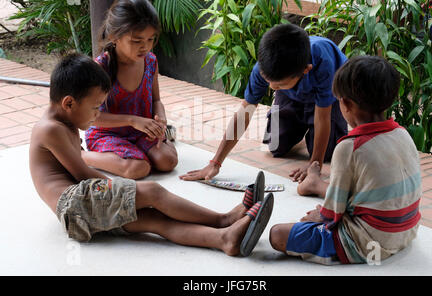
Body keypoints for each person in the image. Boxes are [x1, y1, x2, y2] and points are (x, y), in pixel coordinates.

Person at [29, 53, 274, 257]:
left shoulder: (64, 123)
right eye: (95, 108)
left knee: (157, 221)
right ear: (69, 103)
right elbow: (83, 174)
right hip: (75, 202)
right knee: (152, 192)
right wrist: (128, 188)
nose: (96, 116)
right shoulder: (50, 129)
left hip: (82, 211)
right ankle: (222, 220)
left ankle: (224, 239)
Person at [268, 56, 422, 265]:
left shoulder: (349, 147)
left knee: (278, 234)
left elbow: (332, 213)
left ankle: (315, 185)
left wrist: (318, 216)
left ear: (346, 104)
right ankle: (316, 185)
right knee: (361, 187)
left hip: (368, 244)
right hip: (407, 231)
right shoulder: (402, 133)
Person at [180, 23, 348, 191]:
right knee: (276, 145)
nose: (272, 87)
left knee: (326, 154)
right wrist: (215, 162)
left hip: (328, 94)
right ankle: (303, 126)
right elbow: (244, 113)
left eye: (278, 84)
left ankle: (311, 129)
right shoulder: (265, 70)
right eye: (268, 82)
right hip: (290, 91)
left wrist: (313, 167)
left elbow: (322, 117)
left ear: (306, 70)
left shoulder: (323, 63)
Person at [82, 0, 177, 180]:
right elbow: (91, 118)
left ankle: (143, 148)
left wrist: (161, 119)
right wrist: (133, 120)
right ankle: (82, 156)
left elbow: (156, 100)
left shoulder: (150, 62)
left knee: (168, 161)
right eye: (137, 41)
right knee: (138, 168)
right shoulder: (101, 67)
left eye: (151, 39)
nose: (146, 47)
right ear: (114, 37)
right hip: (106, 133)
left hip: (141, 130)